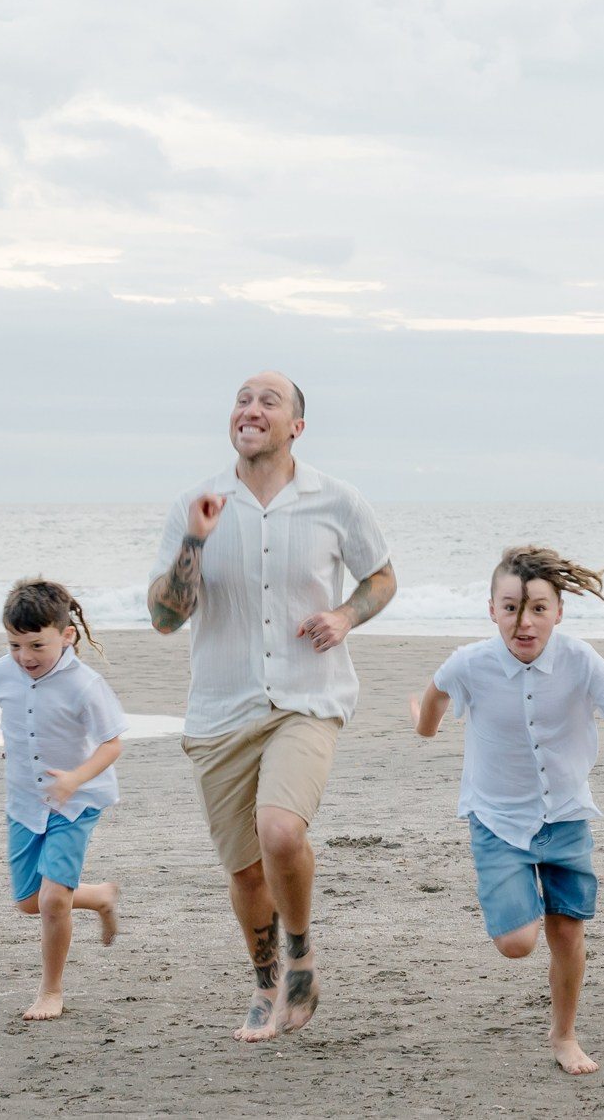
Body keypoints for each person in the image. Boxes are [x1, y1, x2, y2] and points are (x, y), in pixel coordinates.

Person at [147, 371, 397, 1041]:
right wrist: (194, 542)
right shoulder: (195, 503)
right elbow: (166, 617)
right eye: (241, 399)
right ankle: (265, 981)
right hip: (219, 711)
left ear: (296, 427)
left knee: (281, 831)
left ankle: (302, 951)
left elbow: (382, 575)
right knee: (245, 867)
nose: (250, 408)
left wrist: (346, 614)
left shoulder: (336, 500)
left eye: (268, 401)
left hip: (306, 698)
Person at [412, 546, 604, 1075]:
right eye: (512, 607)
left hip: (565, 815)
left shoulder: (580, 660)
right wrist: (424, 723)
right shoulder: (469, 663)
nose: (525, 621)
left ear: (559, 612)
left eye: (539, 607)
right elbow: (434, 697)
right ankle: (513, 893)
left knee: (567, 932)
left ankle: (564, 1034)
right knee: (518, 943)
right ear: (492, 609)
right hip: (497, 820)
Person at [0, 580, 127, 1021]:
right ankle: (100, 896)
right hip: (24, 802)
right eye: (15, 645)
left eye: (37, 645)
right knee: (29, 902)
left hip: (75, 802)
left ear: (66, 635)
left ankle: (51, 990)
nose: (25, 656)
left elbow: (112, 744)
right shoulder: (1, 672)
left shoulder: (86, 685)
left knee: (54, 901)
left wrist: (75, 778)